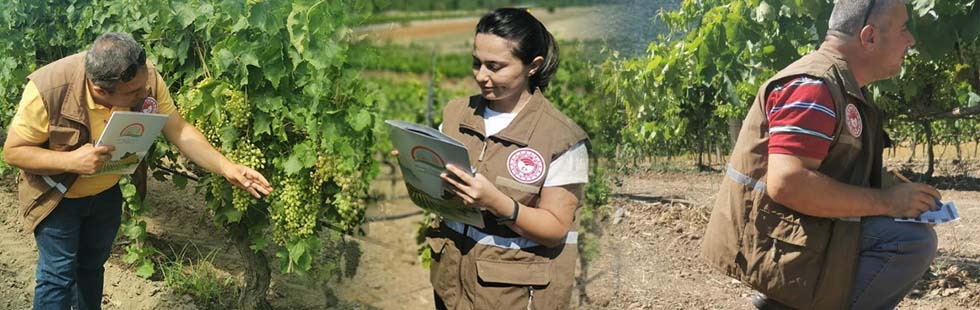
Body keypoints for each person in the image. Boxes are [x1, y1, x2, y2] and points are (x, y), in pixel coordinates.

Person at [2, 32, 273, 310]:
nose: (143, 94)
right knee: (57, 277)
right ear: (99, 89)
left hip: (105, 194)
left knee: (92, 268)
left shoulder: (144, 79)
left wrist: (226, 167)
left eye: (143, 85)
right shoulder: (49, 89)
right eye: (132, 93)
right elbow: (14, 151)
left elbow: (178, 129)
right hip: (58, 197)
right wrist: (71, 162)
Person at [700, 1, 941, 309]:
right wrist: (887, 202)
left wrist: (900, 199)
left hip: (798, 233)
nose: (911, 40)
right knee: (908, 242)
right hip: (777, 243)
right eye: (904, 28)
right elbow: (788, 183)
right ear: (868, 37)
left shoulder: (841, 87)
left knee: (904, 231)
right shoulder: (814, 88)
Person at [422, 8, 589, 309]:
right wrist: (418, 165)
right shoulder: (455, 115)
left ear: (533, 66)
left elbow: (555, 229)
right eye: (477, 63)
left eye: (495, 66)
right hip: (450, 287)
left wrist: (495, 202)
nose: (481, 76)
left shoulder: (560, 138)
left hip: (510, 296)